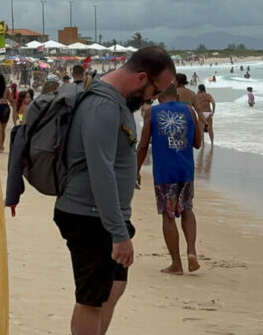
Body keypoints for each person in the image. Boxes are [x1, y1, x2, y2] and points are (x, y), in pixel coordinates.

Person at [53, 46, 175, 335]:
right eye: (156, 91)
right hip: (88, 215)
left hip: (106, 215)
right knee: (91, 299)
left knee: (114, 287)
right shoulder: (103, 106)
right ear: (141, 78)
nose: (154, 99)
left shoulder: (115, 101)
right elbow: (100, 173)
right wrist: (119, 234)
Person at [136, 84, 202, 275]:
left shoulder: (152, 112)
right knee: (187, 208)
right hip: (186, 169)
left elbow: (142, 145)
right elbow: (197, 143)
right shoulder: (189, 110)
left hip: (165, 172)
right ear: (178, 95)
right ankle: (191, 250)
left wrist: (136, 170)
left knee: (168, 214)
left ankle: (176, 265)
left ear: (158, 96)